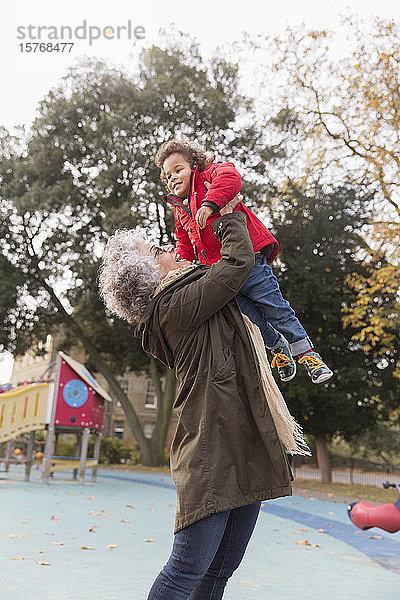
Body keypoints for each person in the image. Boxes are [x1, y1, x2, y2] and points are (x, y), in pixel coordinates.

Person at [98, 212, 309, 600]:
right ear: (148, 275)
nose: (167, 247)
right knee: (186, 570)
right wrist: (227, 213)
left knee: (219, 571)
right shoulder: (175, 305)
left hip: (244, 437)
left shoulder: (188, 298)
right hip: (213, 445)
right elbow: (238, 264)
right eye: (156, 250)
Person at [154, 139, 333, 384]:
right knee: (251, 320)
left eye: (178, 169)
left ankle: (307, 355)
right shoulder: (178, 210)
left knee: (275, 308)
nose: (173, 177)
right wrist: (184, 265)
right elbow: (184, 244)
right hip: (223, 274)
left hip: (249, 261)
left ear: (194, 166)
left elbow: (231, 177)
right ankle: (278, 347)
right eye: (167, 175)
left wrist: (210, 204)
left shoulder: (209, 176)